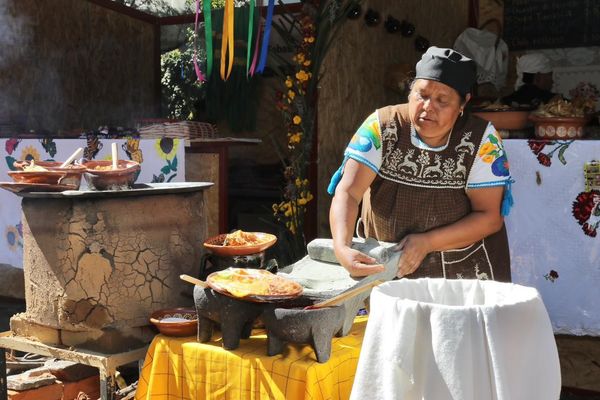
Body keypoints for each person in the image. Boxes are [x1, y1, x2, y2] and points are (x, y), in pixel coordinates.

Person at [328, 46, 513, 281]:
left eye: (442, 100)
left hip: (461, 272)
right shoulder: (382, 126)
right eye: (421, 95)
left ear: (463, 103)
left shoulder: (482, 140)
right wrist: (342, 247)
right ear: (409, 92)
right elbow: (348, 192)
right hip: (387, 264)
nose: (428, 107)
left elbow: (489, 216)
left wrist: (427, 242)